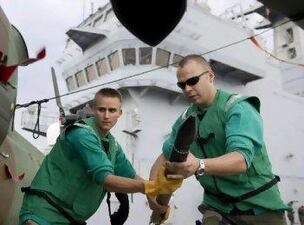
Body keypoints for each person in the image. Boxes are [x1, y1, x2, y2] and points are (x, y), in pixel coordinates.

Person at [150, 54, 288, 225]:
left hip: (260, 207)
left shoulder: (238, 108)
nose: (187, 88)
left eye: (192, 81)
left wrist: (198, 165)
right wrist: (152, 195)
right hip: (217, 208)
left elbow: (241, 160)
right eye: (182, 84)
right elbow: (165, 157)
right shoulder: (186, 118)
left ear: (210, 76)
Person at [20, 88, 182, 225]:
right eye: (101, 109)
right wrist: (150, 187)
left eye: (112, 111)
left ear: (120, 113)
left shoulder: (112, 146)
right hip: (43, 213)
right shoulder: (81, 134)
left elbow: (132, 176)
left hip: (70, 219)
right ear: (92, 109)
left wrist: (156, 201)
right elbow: (106, 181)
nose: (106, 116)